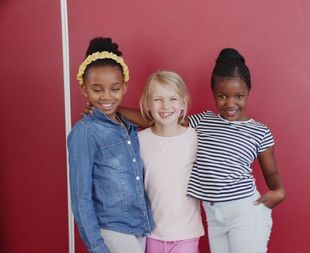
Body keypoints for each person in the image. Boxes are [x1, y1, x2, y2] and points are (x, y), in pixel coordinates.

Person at [116, 48, 286, 253]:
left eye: (239, 96)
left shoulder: (259, 131)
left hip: (245, 211)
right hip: (214, 215)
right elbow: (161, 120)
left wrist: (279, 192)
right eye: (222, 96)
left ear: (248, 92)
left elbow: (272, 172)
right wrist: (112, 109)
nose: (231, 103)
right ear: (214, 93)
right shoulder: (203, 121)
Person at [68, 37, 154, 253]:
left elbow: (154, 120)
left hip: (140, 226)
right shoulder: (85, 132)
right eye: (97, 90)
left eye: (114, 88)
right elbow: (81, 198)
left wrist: (115, 108)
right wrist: (97, 247)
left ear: (124, 86)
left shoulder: (129, 126)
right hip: (112, 229)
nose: (106, 96)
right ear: (84, 89)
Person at [138, 71, 204, 253]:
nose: (165, 105)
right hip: (151, 234)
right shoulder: (139, 141)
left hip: (186, 234)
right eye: (158, 99)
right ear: (147, 104)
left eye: (173, 99)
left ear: (183, 103)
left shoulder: (195, 138)